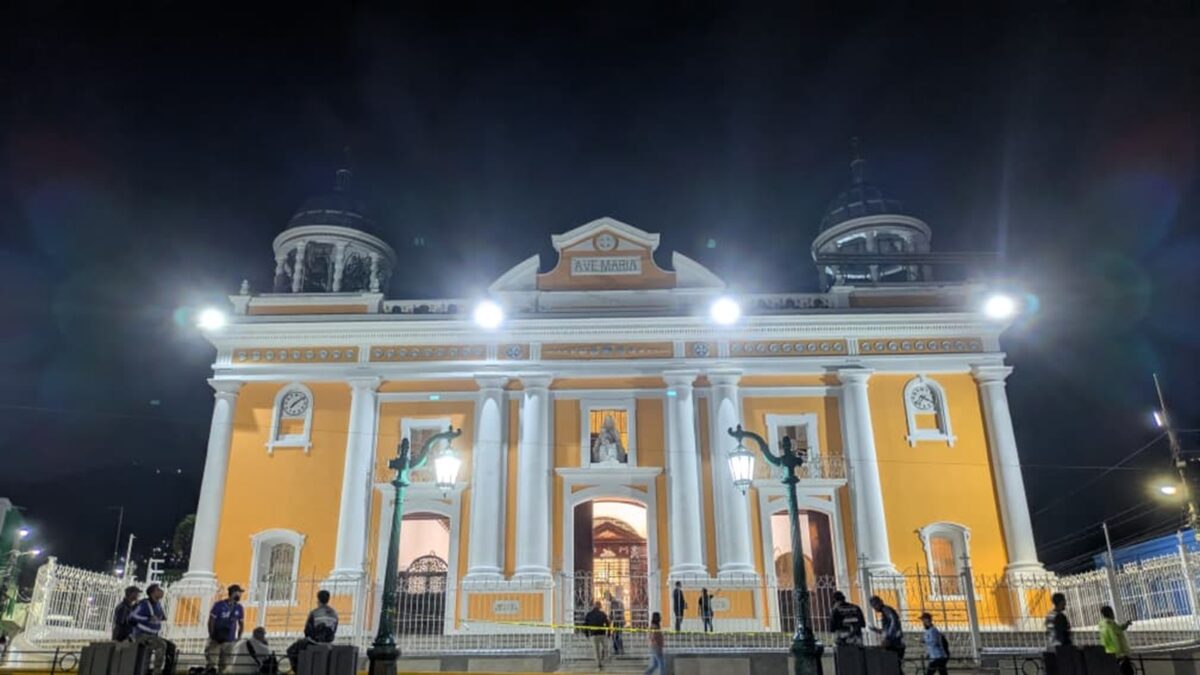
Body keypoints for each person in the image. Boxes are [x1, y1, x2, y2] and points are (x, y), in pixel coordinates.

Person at [287, 590, 339, 670]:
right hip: (328, 642)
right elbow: (334, 629)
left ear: (318, 599)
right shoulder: (334, 613)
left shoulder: (314, 612)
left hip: (314, 642)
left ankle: (298, 670)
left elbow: (307, 631)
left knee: (291, 650)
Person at [130, 584, 176, 675]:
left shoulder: (158, 604)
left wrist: (161, 618)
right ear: (152, 593)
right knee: (161, 645)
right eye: (158, 590)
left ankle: (167, 671)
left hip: (153, 635)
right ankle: (156, 671)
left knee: (171, 646)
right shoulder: (144, 604)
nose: (161, 591)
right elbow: (132, 616)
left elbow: (161, 616)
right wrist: (147, 619)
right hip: (142, 635)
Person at [207, 584, 246, 673]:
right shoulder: (219, 605)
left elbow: (241, 623)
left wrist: (239, 637)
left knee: (225, 665)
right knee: (212, 663)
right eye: (239, 593)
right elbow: (211, 621)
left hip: (229, 640)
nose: (240, 595)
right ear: (234, 593)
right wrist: (211, 635)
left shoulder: (239, 608)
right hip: (216, 639)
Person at [1098, 605, 1134, 675]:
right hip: (1118, 653)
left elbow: (1118, 628)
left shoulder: (1102, 624)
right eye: (1112, 612)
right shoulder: (1110, 624)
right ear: (1110, 613)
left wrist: (1125, 625)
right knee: (1127, 671)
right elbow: (1118, 630)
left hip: (1108, 652)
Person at [869, 595, 905, 662]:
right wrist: (877, 630)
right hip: (893, 641)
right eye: (873, 606)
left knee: (893, 664)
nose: (875, 608)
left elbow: (893, 621)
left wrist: (888, 637)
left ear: (880, 602)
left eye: (875, 605)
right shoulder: (884, 612)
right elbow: (886, 629)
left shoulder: (886, 610)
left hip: (894, 642)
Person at [584, 601, 610, 669]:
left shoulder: (589, 614)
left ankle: (599, 663)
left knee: (596, 650)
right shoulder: (602, 614)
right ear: (599, 606)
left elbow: (585, 624)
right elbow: (607, 623)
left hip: (594, 634)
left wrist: (586, 634)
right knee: (605, 648)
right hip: (602, 634)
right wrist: (609, 633)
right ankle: (602, 659)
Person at [608, 592, 625, 656]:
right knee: (615, 636)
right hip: (617, 622)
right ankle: (618, 650)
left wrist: (610, 618)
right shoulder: (613, 602)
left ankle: (619, 650)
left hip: (618, 622)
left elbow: (614, 613)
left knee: (617, 637)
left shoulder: (614, 603)